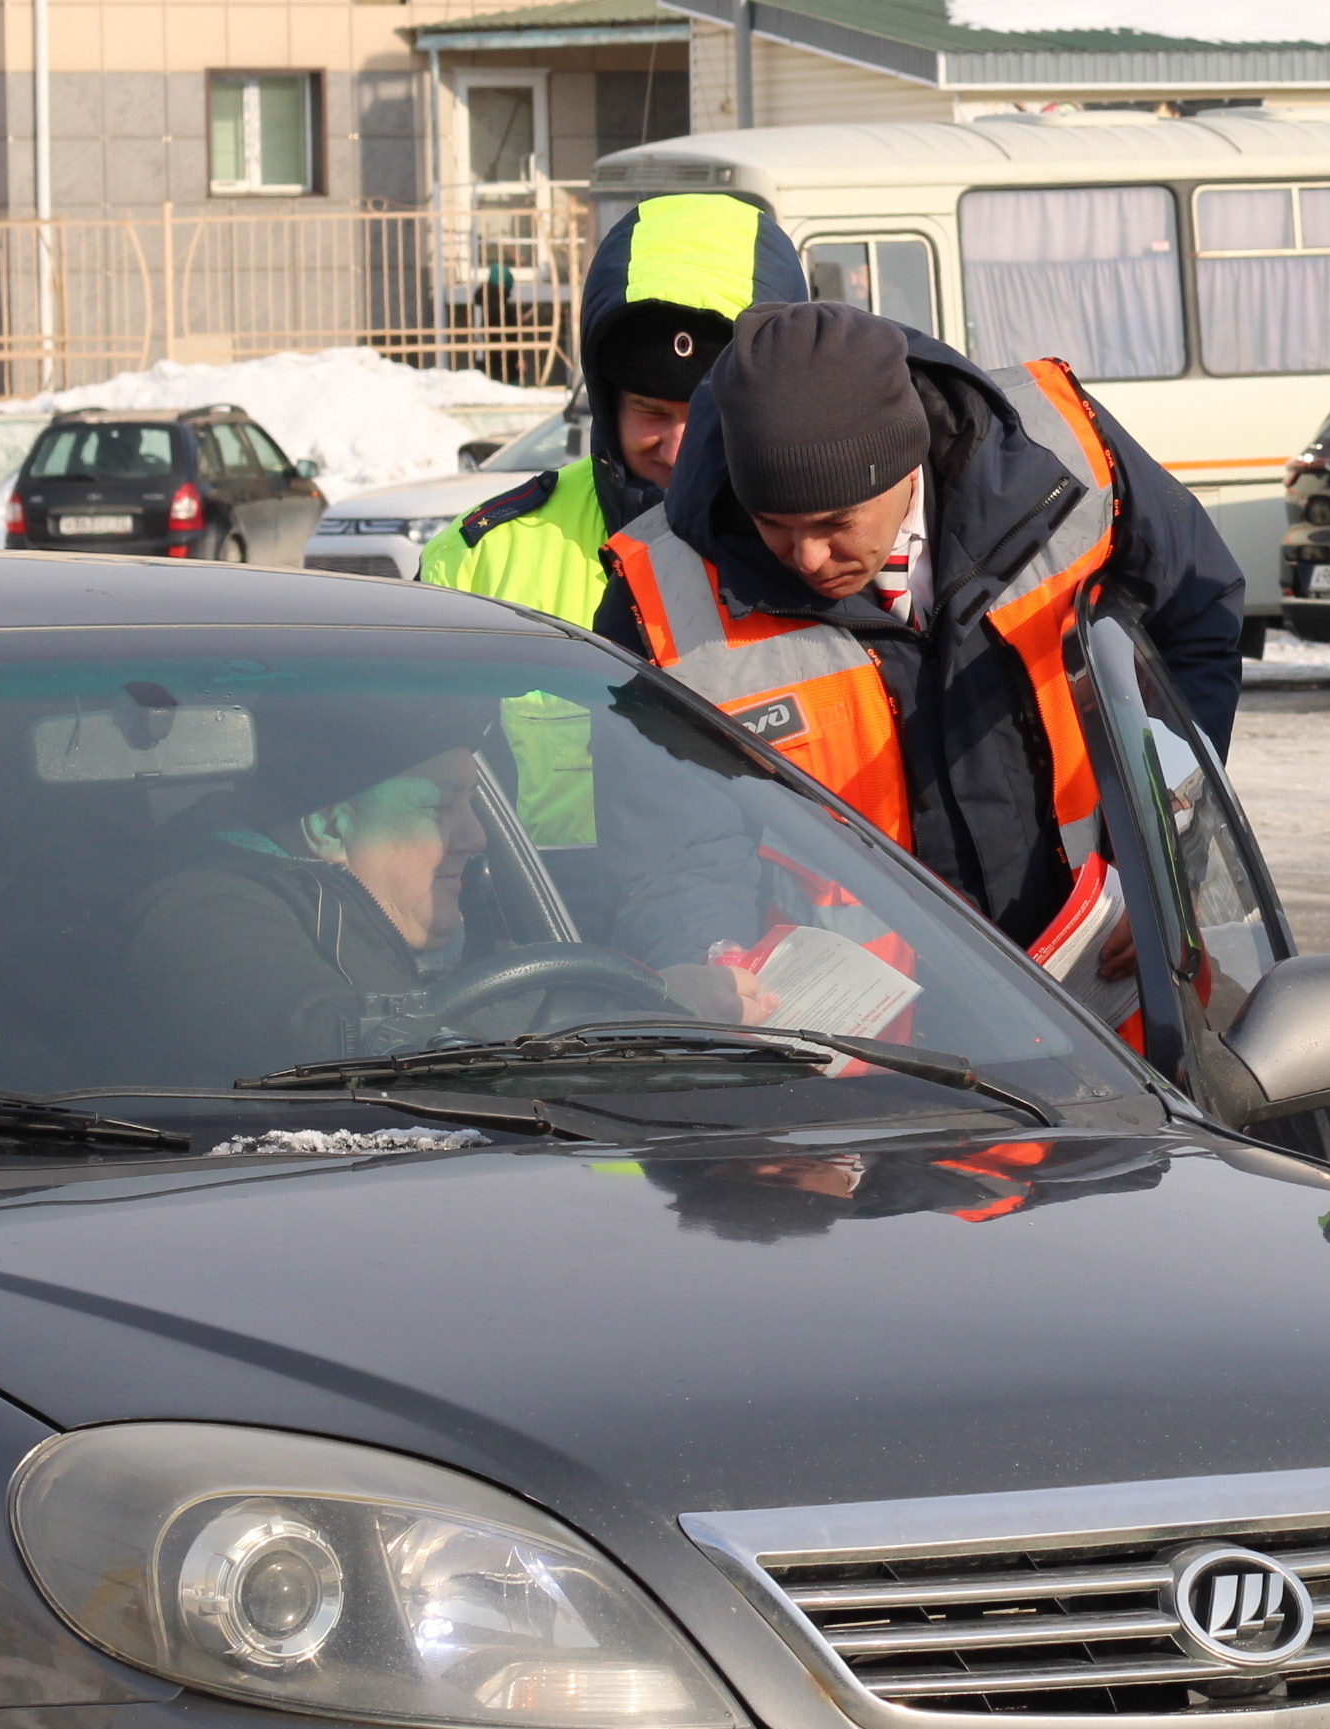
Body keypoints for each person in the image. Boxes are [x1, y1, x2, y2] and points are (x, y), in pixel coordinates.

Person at [599, 301, 1247, 957]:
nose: (807, 557)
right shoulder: (658, 597)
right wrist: (711, 956)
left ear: (908, 465)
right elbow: (668, 836)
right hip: (860, 1050)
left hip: (1111, 1008)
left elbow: (1193, 623)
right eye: (774, 525)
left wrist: (1166, 854)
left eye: (833, 524)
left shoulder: (1071, 459)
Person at [423, 192, 805, 623]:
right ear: (608, 403)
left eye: (708, 415)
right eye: (651, 411)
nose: (678, 448)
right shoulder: (479, 564)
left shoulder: (831, 551)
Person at [115, 697, 505, 1085]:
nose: (477, 837)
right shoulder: (200, 914)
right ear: (330, 829)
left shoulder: (476, 930)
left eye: (470, 802)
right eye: (440, 808)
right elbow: (318, 1032)